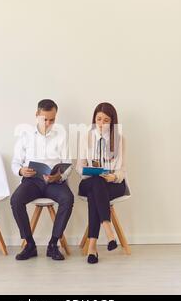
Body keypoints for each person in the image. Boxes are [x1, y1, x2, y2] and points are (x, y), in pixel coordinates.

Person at [11, 99, 74, 261]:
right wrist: (21, 170)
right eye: (44, 119)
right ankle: (30, 244)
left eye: (52, 119)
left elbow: (69, 165)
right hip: (32, 181)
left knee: (68, 198)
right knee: (16, 200)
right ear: (37, 115)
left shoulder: (61, 136)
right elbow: (15, 162)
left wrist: (59, 176)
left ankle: (53, 244)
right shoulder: (25, 136)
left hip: (54, 181)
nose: (48, 123)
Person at [76, 102, 127, 264]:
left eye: (106, 120)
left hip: (113, 185)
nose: (101, 123)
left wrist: (114, 177)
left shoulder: (119, 140)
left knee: (95, 193)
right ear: (94, 120)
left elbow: (122, 170)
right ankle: (108, 229)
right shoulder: (87, 137)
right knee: (96, 182)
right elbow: (79, 166)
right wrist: (89, 171)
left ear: (112, 121)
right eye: (98, 119)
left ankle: (92, 247)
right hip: (89, 182)